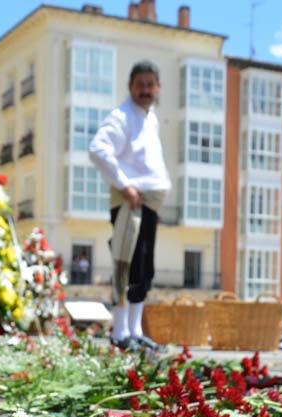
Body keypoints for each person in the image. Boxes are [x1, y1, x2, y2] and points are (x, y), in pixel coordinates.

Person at [89, 60, 171, 351]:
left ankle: (135, 330)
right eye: (141, 85)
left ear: (158, 87)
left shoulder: (151, 118)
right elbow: (98, 149)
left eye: (150, 85)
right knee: (127, 264)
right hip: (131, 201)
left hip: (147, 203)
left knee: (144, 268)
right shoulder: (122, 116)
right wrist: (125, 184)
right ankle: (121, 332)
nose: (146, 90)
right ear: (130, 87)